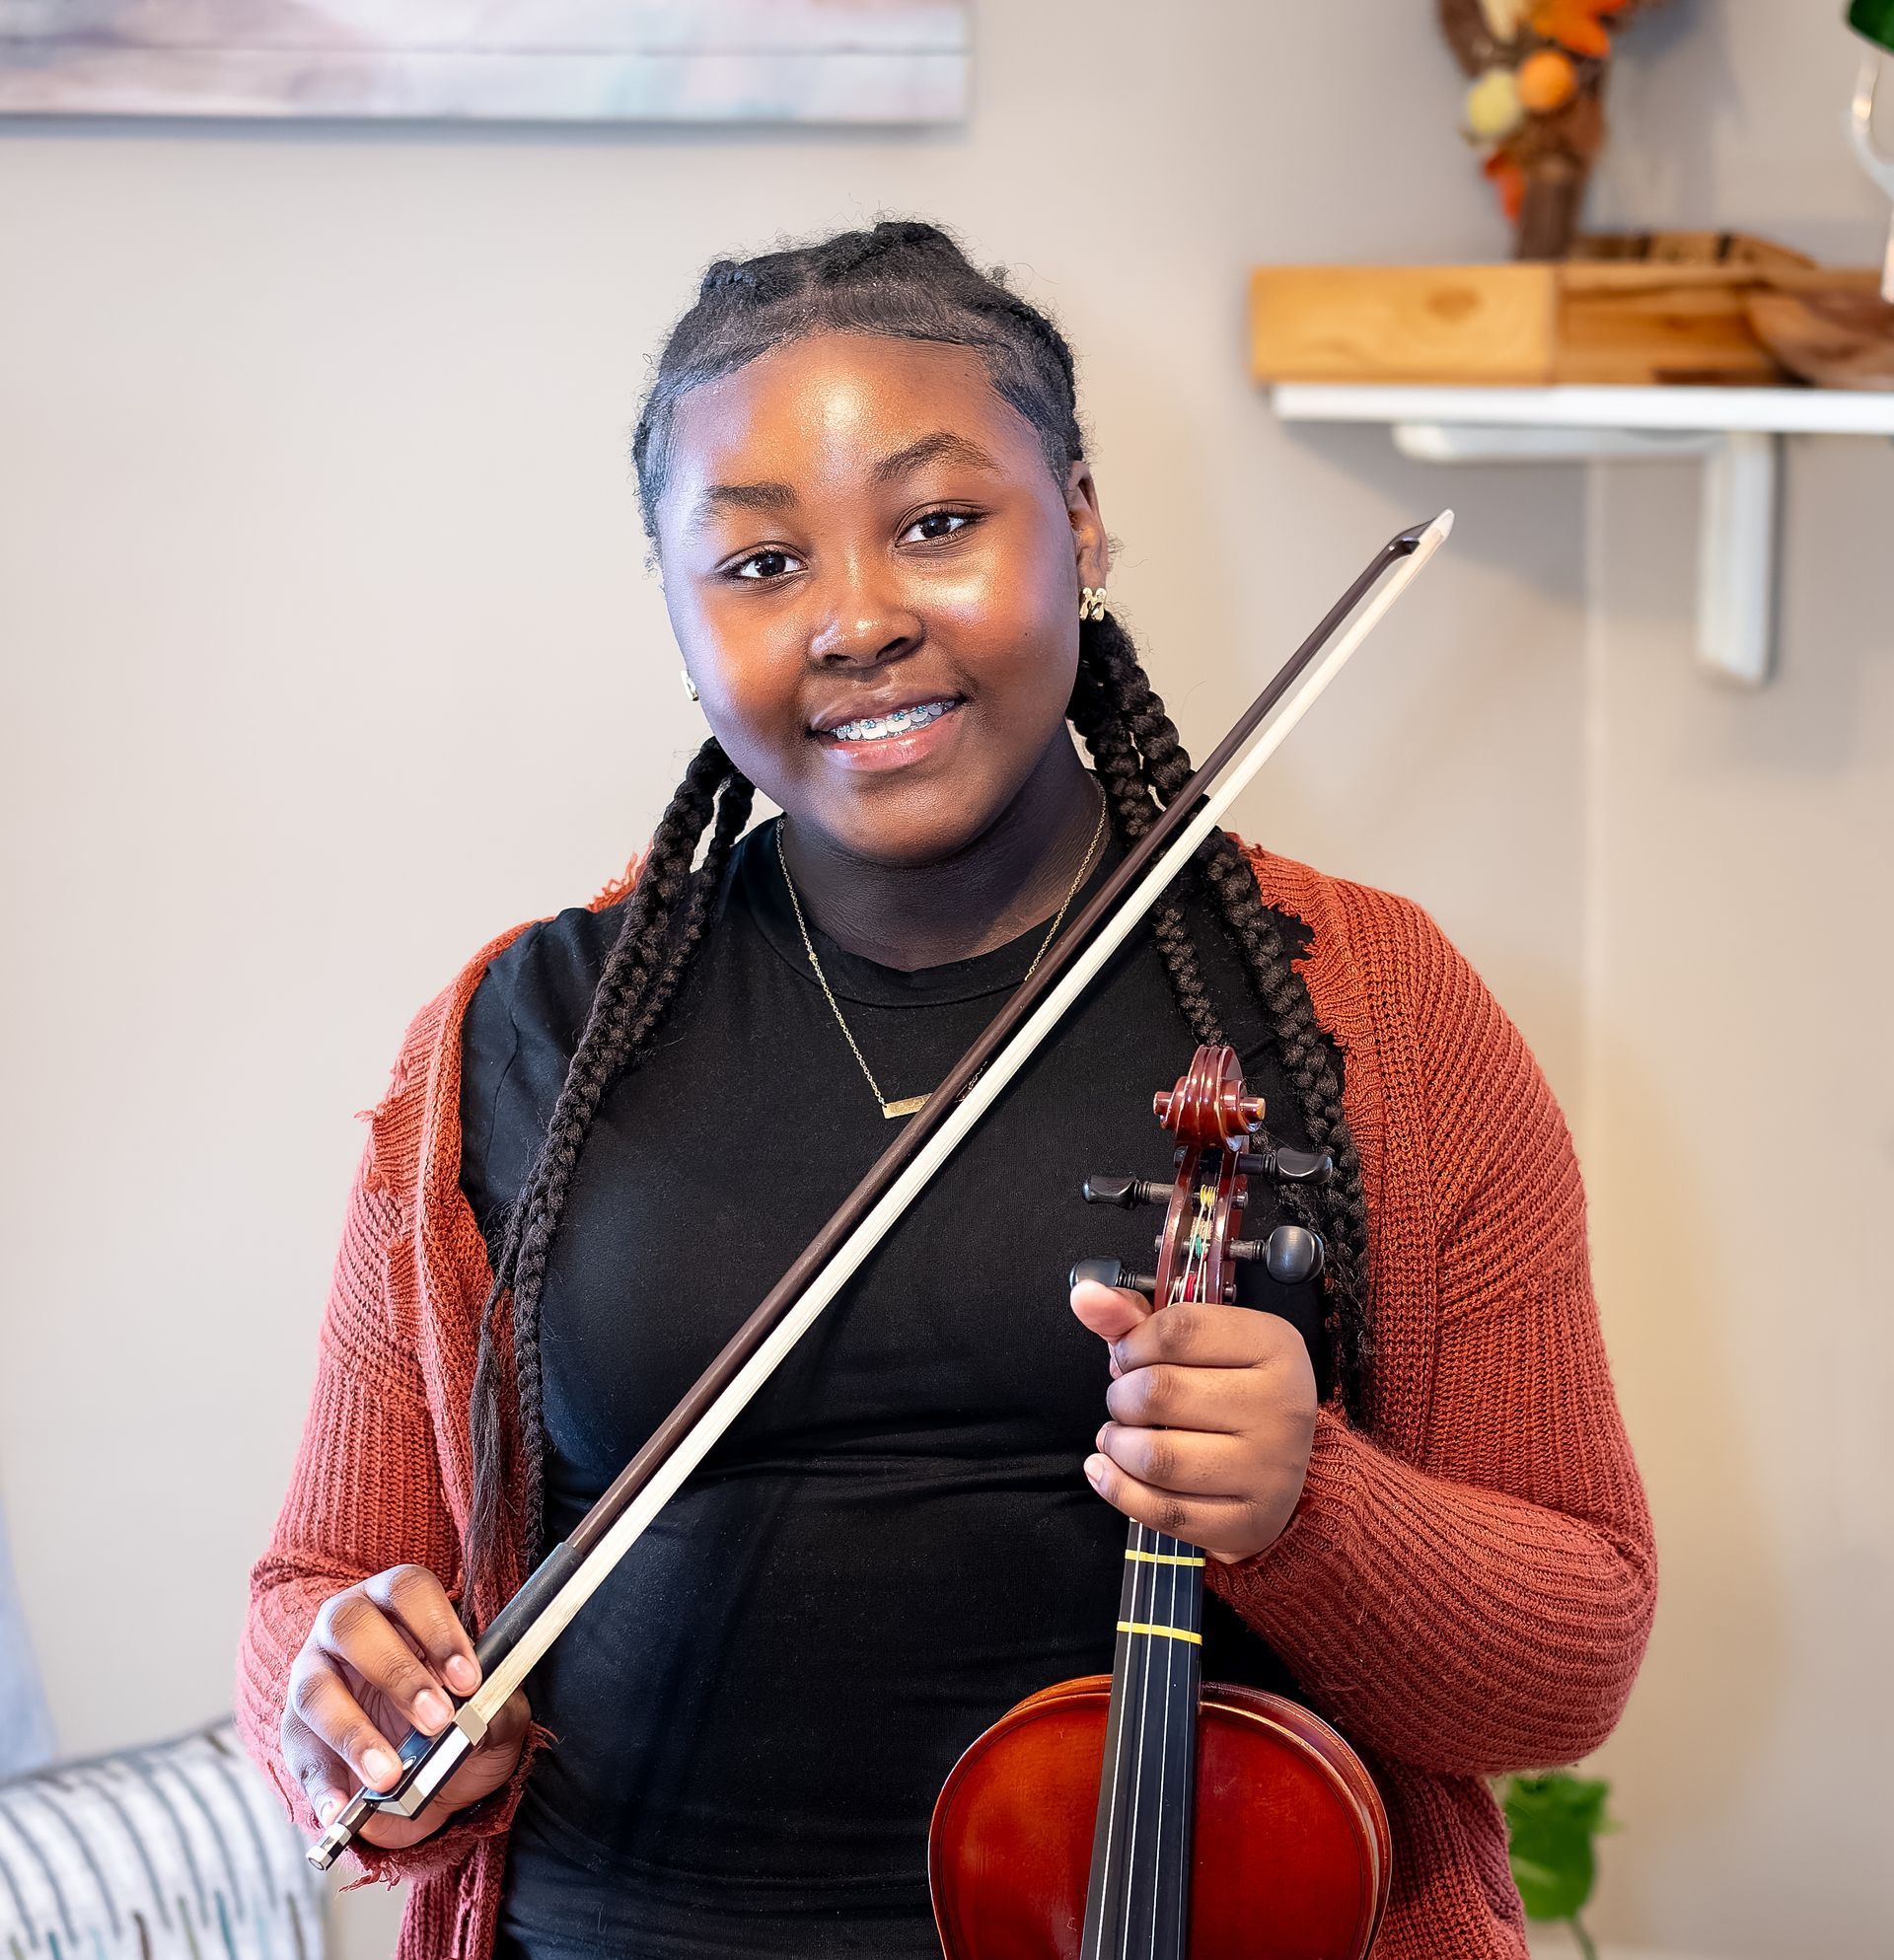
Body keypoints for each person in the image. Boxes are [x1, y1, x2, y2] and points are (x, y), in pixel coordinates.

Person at [236, 219, 1655, 1960]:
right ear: (677, 615)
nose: (857, 620)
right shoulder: (515, 1031)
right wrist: (358, 1722)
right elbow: (322, 1593)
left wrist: (1315, 1509)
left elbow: (1572, 1653)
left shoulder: (1371, 1010)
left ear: (1081, 522)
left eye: (935, 523)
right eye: (759, 565)